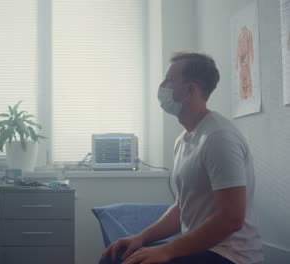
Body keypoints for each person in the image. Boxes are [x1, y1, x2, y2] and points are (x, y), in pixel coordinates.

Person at [100, 51, 263, 264]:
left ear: (189, 90)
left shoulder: (218, 138)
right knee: (115, 258)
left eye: (169, 80)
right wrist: (140, 238)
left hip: (230, 255)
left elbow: (231, 219)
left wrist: (166, 251)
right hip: (200, 247)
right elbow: (181, 209)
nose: (162, 86)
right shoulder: (183, 140)